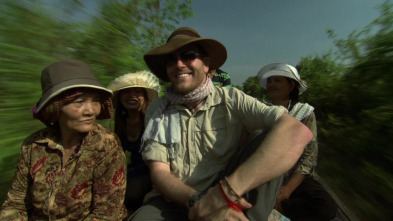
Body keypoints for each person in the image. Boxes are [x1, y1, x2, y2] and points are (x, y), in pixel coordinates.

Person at [128, 26, 313, 221]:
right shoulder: (157, 109)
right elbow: (159, 173)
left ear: (206, 64)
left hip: (228, 198)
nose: (179, 64)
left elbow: (297, 132)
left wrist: (225, 193)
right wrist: (198, 202)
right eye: (171, 60)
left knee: (271, 136)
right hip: (171, 202)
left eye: (188, 55)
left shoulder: (231, 98)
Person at [0, 59, 127, 220]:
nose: (90, 111)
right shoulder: (34, 145)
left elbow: (106, 214)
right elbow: (16, 203)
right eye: (79, 102)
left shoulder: (106, 145)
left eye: (95, 101)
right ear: (57, 107)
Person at [257, 63, 338, 221]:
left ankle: (278, 204)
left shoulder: (305, 113)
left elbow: (309, 156)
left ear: (291, 85)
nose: (272, 84)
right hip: (265, 174)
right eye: (270, 81)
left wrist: (288, 188)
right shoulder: (260, 109)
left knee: (325, 208)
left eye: (277, 80)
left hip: (294, 176)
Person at [107, 70, 160, 214]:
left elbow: (152, 160)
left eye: (137, 92)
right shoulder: (119, 124)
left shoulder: (153, 122)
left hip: (150, 174)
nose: (131, 96)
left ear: (145, 97)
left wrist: (126, 175)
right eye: (126, 92)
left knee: (129, 190)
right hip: (124, 174)